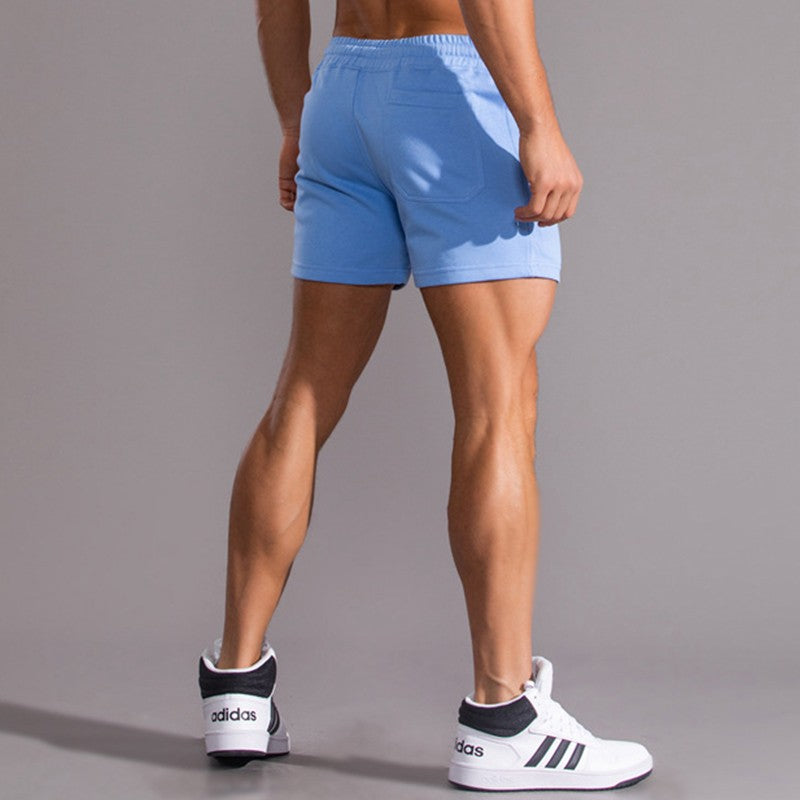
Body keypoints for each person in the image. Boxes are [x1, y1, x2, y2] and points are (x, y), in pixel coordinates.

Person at [197, 0, 653, 791]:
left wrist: (298, 119)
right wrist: (537, 123)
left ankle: (236, 684)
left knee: (302, 396)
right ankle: (504, 717)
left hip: (341, 90)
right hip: (453, 86)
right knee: (497, 403)